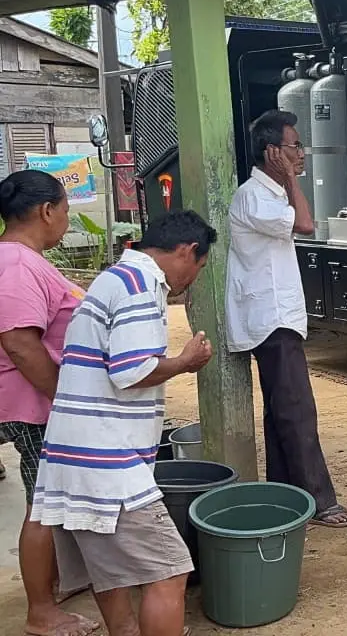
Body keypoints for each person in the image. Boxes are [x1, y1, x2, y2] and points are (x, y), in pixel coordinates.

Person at [30, 210, 218, 636]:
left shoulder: (113, 278)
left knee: (110, 570)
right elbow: (131, 371)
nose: (193, 278)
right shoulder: (141, 286)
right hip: (107, 462)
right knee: (170, 569)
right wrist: (185, 362)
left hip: (71, 458)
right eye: (200, 267)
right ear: (187, 252)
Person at [226, 109, 347, 528]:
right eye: (293, 146)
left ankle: (289, 494)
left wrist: (287, 181)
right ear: (272, 152)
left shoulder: (268, 193)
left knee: (282, 410)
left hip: (275, 316)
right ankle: (321, 502)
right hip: (271, 319)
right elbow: (305, 223)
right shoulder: (256, 195)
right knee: (296, 410)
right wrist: (293, 180)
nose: (301, 153)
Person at [0, 171, 100, 636]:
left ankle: (53, 585)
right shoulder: (17, 264)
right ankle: (41, 611)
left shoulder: (23, 259)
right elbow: (20, 342)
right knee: (42, 504)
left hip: (33, 401)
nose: (66, 218)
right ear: (46, 211)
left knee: (48, 500)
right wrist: (64, 399)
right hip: (30, 405)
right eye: (64, 208)